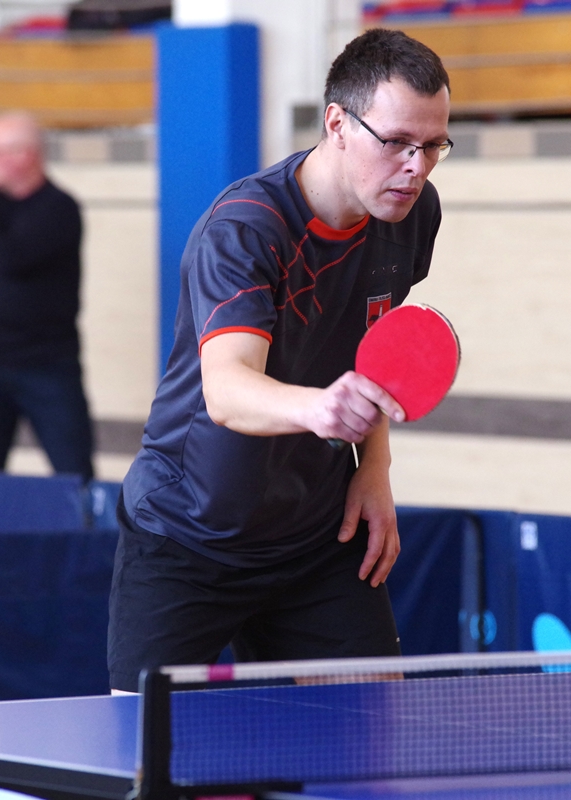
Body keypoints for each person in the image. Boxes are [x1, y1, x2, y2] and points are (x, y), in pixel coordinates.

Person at [107, 29, 453, 692]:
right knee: (140, 743)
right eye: (397, 142)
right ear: (337, 124)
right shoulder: (246, 229)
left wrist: (374, 468)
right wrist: (321, 409)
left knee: (375, 734)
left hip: (315, 538)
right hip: (188, 533)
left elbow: (372, 352)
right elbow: (228, 390)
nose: (417, 166)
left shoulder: (411, 215)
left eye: (434, 145)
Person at [0, 112, 94, 479]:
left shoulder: (58, 208)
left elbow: (9, 260)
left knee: (73, 475)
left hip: (48, 364)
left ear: (27, 155)